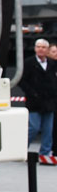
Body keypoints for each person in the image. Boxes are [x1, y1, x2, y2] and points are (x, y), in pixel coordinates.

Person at [19, 38, 57, 166]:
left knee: (48, 129)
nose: (40, 49)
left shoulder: (52, 64)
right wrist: (32, 93)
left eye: (43, 47)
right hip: (35, 102)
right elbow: (22, 80)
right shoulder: (29, 63)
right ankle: (21, 150)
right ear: (35, 48)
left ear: (47, 50)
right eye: (38, 47)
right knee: (34, 127)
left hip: (49, 102)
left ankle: (44, 154)